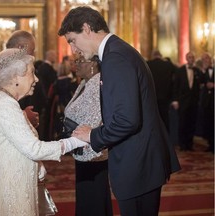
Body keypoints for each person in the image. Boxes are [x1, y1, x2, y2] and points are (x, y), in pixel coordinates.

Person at [58, 6, 181, 216]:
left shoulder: (115, 57)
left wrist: (92, 135)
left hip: (137, 164)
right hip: (141, 160)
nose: (73, 49)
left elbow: (127, 120)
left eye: (72, 40)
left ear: (87, 28)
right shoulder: (118, 51)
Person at [0, 48, 87, 216]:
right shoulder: (5, 105)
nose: (36, 79)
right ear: (15, 77)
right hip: (12, 189)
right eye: (31, 73)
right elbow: (34, 149)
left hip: (4, 184)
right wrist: (77, 141)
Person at [64, 55, 113, 216]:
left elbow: (94, 119)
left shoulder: (96, 84)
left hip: (92, 151)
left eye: (79, 61)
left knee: (93, 198)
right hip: (83, 148)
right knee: (88, 197)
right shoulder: (85, 83)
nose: (75, 65)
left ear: (92, 64)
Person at [5, 30, 46, 135]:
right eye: (32, 51)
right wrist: (23, 116)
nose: (33, 56)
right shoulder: (1, 72)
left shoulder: (22, 67)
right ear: (20, 47)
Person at [172, 51, 202, 151]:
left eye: (192, 57)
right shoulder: (180, 71)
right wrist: (175, 100)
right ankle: (182, 144)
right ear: (186, 58)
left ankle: (189, 144)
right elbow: (175, 86)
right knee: (182, 123)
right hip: (182, 102)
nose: (191, 59)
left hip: (193, 102)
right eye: (189, 57)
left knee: (191, 123)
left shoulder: (197, 71)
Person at [147, 50, 177, 132]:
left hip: (151, 98)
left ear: (153, 55)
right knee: (165, 119)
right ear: (161, 55)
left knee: (153, 120)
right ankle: (166, 141)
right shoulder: (168, 65)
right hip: (165, 97)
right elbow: (178, 74)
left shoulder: (147, 64)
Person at [200, 52, 214, 153]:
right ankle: (210, 144)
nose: (206, 60)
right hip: (206, 102)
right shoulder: (200, 72)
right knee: (207, 123)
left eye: (207, 59)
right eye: (203, 59)